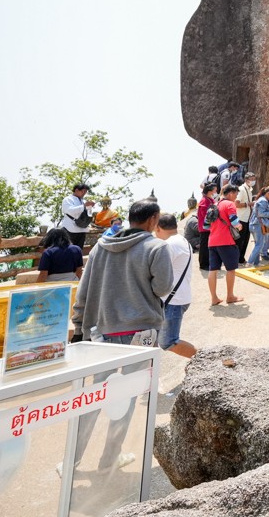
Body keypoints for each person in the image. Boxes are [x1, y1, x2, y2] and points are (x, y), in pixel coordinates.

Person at [70, 199, 173, 472]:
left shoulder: (100, 248)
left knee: (94, 395)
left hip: (102, 331)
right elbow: (162, 288)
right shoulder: (157, 247)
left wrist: (78, 326)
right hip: (141, 332)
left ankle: (73, 459)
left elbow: (83, 291)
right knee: (126, 396)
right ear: (153, 220)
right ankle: (108, 459)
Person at [155, 212, 197, 358]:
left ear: (158, 227)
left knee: (168, 341)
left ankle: (204, 360)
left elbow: (156, 271)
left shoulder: (169, 245)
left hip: (174, 300)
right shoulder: (181, 240)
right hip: (177, 297)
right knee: (162, 340)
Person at [207, 185, 245, 306]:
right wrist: (239, 226)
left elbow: (206, 224)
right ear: (230, 193)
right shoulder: (229, 204)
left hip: (212, 241)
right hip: (226, 241)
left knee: (213, 270)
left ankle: (214, 298)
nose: (236, 197)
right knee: (231, 269)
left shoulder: (214, 205)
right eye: (236, 194)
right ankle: (230, 296)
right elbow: (234, 221)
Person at [247, 186, 269, 267]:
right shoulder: (263, 201)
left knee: (258, 244)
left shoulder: (261, 199)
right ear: (268, 193)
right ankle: (250, 262)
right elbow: (261, 213)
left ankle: (256, 262)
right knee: (260, 245)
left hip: (255, 224)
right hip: (259, 225)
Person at [61, 183, 96, 250]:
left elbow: (87, 214)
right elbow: (69, 210)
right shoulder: (68, 199)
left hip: (82, 229)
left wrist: (90, 207)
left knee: (78, 250)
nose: (84, 193)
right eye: (83, 191)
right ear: (76, 190)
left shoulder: (83, 201)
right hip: (70, 228)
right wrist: (84, 206)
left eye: (85, 192)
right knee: (67, 250)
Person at [234, 172, 256, 265]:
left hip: (247, 218)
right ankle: (236, 259)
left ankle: (241, 258)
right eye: (251, 179)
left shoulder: (249, 189)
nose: (253, 181)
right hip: (241, 218)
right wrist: (248, 204)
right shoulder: (242, 189)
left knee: (245, 240)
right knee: (239, 241)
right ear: (246, 180)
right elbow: (236, 204)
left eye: (254, 179)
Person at [196, 183, 217, 270]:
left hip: (209, 227)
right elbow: (204, 214)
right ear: (210, 191)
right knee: (204, 246)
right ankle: (203, 264)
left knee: (208, 246)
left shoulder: (210, 199)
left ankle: (208, 263)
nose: (216, 191)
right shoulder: (204, 200)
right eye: (214, 189)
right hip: (205, 228)